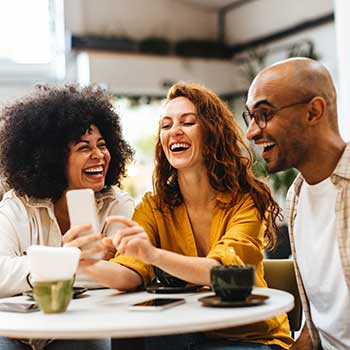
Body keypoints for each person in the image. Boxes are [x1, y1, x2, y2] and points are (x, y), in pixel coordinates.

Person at [105, 82, 294, 350]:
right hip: (188, 333)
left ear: (211, 132)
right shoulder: (153, 206)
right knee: (131, 339)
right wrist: (82, 264)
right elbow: (128, 272)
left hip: (249, 337)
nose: (175, 132)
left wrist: (153, 255)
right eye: (166, 125)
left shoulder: (245, 201)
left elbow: (223, 272)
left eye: (188, 122)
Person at [0, 84, 134, 350]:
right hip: (17, 333)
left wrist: (33, 268)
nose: (99, 155)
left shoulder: (116, 206)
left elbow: (131, 274)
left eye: (102, 145)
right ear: (53, 158)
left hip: (78, 330)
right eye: (84, 148)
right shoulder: (19, 205)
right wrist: (67, 259)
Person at [244, 57, 350, 350]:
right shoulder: (297, 196)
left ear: (314, 112)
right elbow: (313, 330)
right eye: (250, 117)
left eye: (264, 114)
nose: (252, 132)